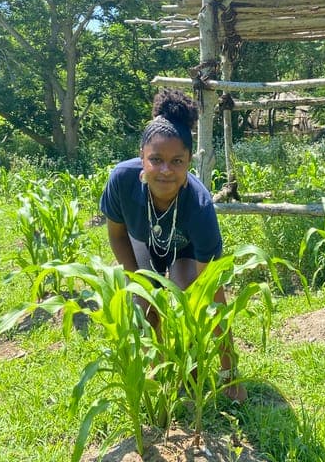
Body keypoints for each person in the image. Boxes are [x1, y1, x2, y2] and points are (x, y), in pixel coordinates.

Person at [99, 88, 247, 402]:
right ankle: (159, 368)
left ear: (189, 161)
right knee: (146, 305)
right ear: (142, 157)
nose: (166, 170)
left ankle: (190, 378)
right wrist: (137, 281)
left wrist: (230, 371)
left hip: (186, 249)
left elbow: (213, 295)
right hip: (143, 242)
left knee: (187, 300)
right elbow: (116, 233)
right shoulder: (121, 181)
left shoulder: (199, 206)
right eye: (156, 160)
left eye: (176, 161)